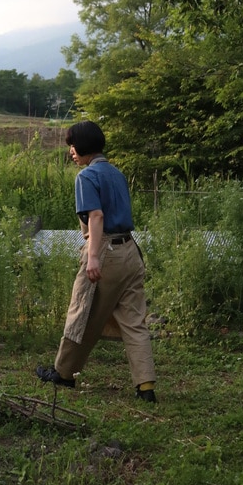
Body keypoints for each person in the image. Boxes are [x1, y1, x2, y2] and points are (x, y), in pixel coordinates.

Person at [36, 120, 157, 403]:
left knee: (81, 312)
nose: (71, 152)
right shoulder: (117, 173)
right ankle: (146, 386)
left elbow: (97, 217)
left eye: (72, 146)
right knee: (134, 321)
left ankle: (63, 374)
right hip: (130, 252)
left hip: (105, 252)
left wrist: (93, 258)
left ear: (82, 147)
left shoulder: (87, 177)